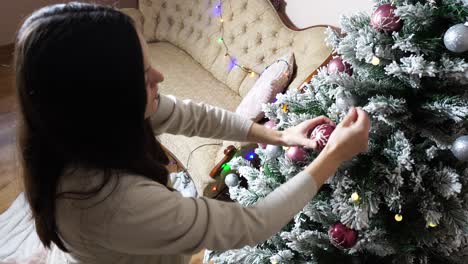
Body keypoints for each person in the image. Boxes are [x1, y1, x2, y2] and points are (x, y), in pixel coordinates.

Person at [15, 3, 370, 264]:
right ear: (106, 97)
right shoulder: (110, 202)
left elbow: (191, 115)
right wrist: (332, 156)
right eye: (143, 74)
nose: (159, 77)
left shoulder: (77, 126)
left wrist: (280, 135)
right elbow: (252, 224)